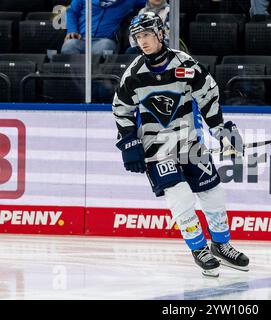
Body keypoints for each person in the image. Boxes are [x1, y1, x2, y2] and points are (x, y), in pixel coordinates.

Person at [112, 12, 249, 277]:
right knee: (181, 197)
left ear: (160, 33)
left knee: (213, 194)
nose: (143, 41)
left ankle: (221, 245)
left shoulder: (185, 64)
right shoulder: (134, 75)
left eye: (148, 35)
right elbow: (121, 110)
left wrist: (222, 131)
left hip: (191, 144)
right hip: (157, 150)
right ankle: (199, 249)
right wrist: (129, 144)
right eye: (138, 37)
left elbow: (208, 96)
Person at [62, 0, 146, 55]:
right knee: (69, 46)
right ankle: (74, 81)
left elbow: (152, 2)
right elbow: (71, 11)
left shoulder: (128, 1)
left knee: (105, 46)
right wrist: (72, 30)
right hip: (81, 39)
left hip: (104, 41)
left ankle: (97, 82)